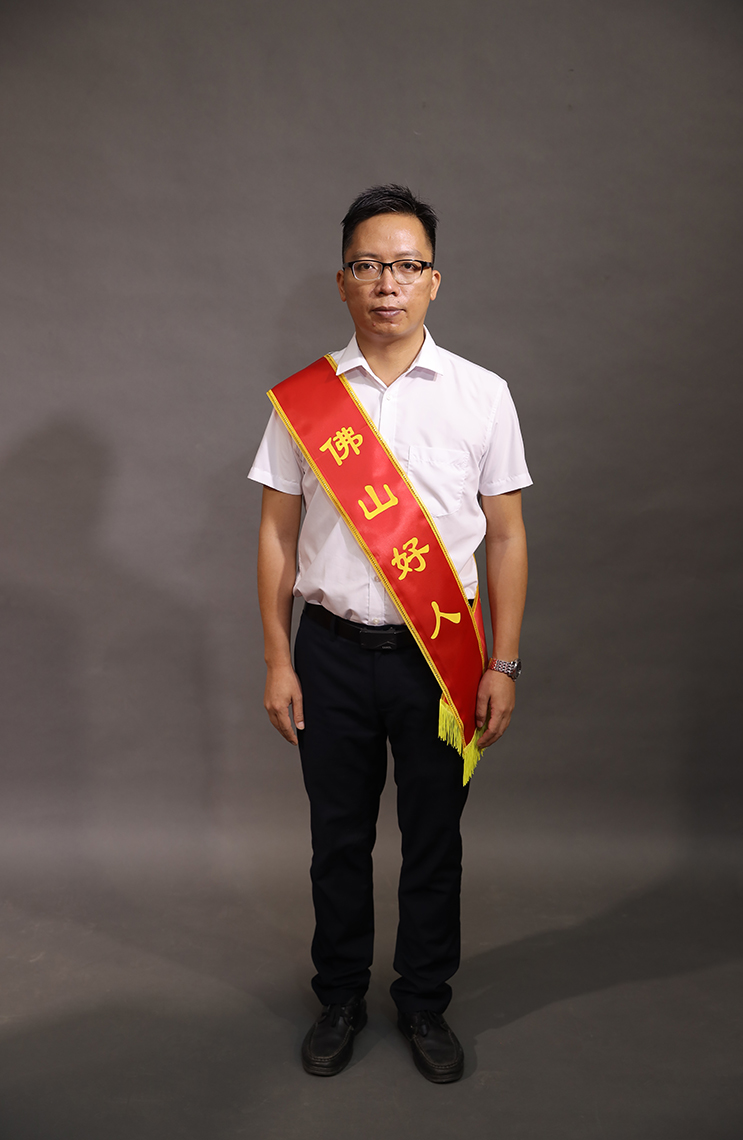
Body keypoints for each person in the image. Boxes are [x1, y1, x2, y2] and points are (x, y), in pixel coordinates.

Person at [250, 184, 531, 1083]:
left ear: (434, 280)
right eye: (368, 265)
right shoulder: (306, 401)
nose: (388, 284)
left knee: (433, 840)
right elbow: (277, 535)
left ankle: (423, 1002)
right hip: (329, 654)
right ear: (342, 280)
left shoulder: (483, 395)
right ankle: (339, 997)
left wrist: (503, 661)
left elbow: (508, 537)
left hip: (439, 662)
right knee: (337, 841)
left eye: (407, 266)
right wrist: (278, 658)